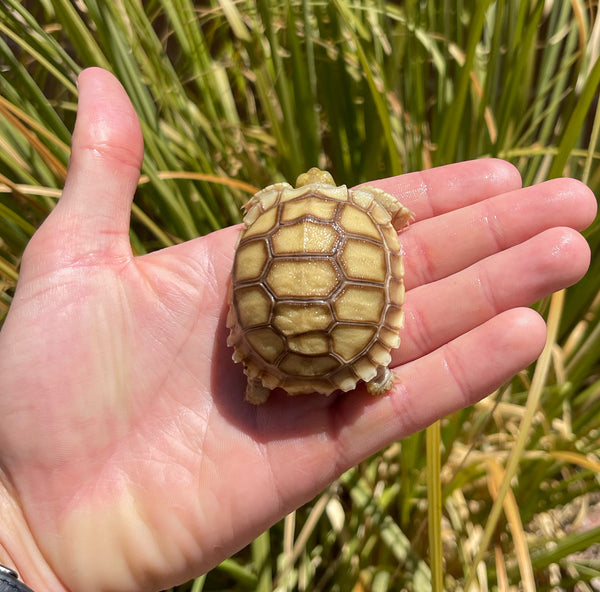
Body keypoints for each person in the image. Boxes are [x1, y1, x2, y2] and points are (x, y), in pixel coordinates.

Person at [0, 67, 595, 592]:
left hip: (271, 349)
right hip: (348, 342)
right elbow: (394, 218)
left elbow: (253, 222)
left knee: (291, 363)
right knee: (382, 369)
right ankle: (373, 370)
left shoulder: (274, 208)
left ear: (291, 187)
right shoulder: (365, 208)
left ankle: (300, 377)